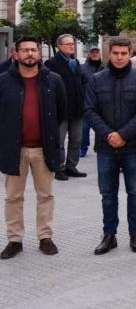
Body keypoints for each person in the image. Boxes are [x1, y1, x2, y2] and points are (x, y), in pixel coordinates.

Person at [84, 37, 136, 255]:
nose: (120, 57)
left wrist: (123, 135)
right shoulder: (97, 80)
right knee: (108, 194)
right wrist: (109, 135)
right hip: (106, 148)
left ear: (130, 53)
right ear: (109, 53)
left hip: (133, 147)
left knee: (135, 192)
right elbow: (90, 110)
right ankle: (109, 235)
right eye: (116, 53)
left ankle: (135, 234)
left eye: (124, 53)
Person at [0, 37, 67, 259]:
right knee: (12, 197)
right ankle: (14, 239)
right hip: (14, 149)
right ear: (15, 53)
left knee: (46, 194)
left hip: (43, 148)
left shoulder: (53, 80)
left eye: (33, 50)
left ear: (40, 53)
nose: (30, 54)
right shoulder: (3, 82)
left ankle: (45, 236)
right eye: (25, 50)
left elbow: (61, 112)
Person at [44, 34, 88, 181]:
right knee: (59, 141)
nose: (71, 46)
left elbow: (83, 83)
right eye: (68, 44)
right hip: (60, 110)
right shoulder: (51, 64)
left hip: (77, 108)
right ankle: (59, 167)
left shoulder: (76, 63)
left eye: (73, 44)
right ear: (60, 46)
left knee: (76, 139)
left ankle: (71, 166)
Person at [80, 46, 104, 157]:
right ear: (89, 54)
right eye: (93, 52)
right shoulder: (82, 68)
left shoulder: (105, 68)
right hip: (87, 102)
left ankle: (99, 146)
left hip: (102, 103)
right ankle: (83, 147)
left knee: (100, 127)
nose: (95, 54)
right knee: (84, 128)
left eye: (97, 52)